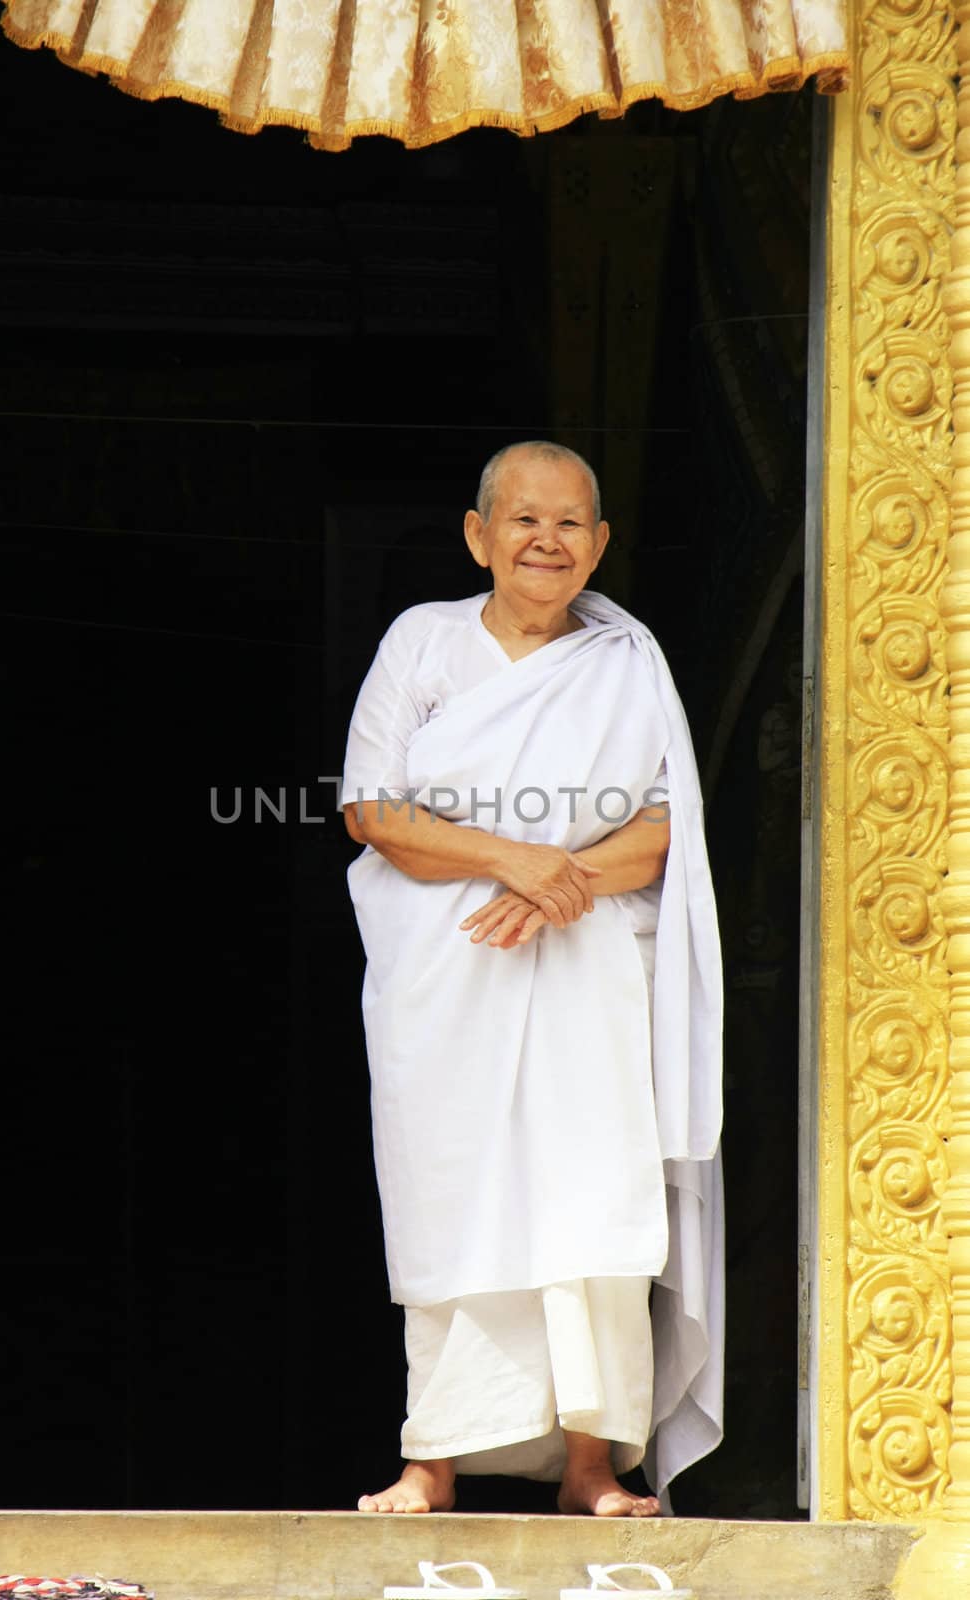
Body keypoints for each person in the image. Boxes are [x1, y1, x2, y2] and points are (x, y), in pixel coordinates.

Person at [339, 441, 723, 1518]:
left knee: (589, 1199)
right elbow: (373, 810)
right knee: (450, 1192)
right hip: (447, 969)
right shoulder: (422, 641)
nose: (545, 541)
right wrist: (514, 861)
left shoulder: (624, 663)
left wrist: (564, 882)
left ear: (598, 546)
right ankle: (433, 1459)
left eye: (569, 524)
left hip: (589, 976)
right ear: (478, 536)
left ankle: (593, 1466)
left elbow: (664, 829)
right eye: (522, 521)